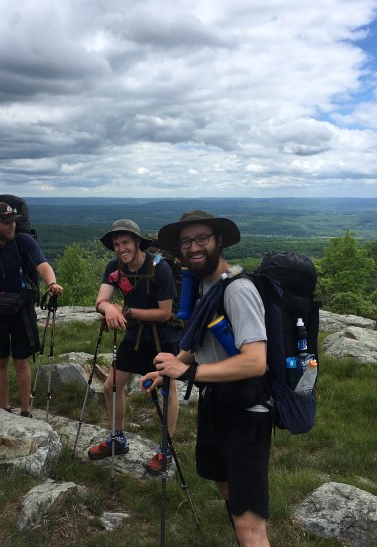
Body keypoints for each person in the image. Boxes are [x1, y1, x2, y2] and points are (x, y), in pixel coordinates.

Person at [142, 210, 272, 546]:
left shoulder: (238, 290)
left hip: (247, 412)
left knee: (249, 521)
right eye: (186, 241)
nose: (194, 247)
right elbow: (201, 340)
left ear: (219, 241)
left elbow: (256, 361)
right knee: (227, 490)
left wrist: (189, 372)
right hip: (217, 403)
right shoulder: (205, 285)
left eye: (202, 238)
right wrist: (169, 369)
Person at [88, 219, 183, 473]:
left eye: (125, 242)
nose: (121, 249)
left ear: (138, 242)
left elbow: (164, 313)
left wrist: (126, 311)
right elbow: (101, 300)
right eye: (116, 244)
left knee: (166, 392)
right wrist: (108, 307)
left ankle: (165, 450)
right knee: (111, 387)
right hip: (136, 335)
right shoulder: (114, 267)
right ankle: (117, 439)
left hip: (163, 335)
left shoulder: (160, 268)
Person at [0, 201, 63, 417]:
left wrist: (52, 283)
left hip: (22, 308)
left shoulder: (23, 241)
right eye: (6, 222)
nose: (12, 226)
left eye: (14, 221)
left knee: (21, 360)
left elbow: (43, 265)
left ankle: (25, 411)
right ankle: (4, 409)